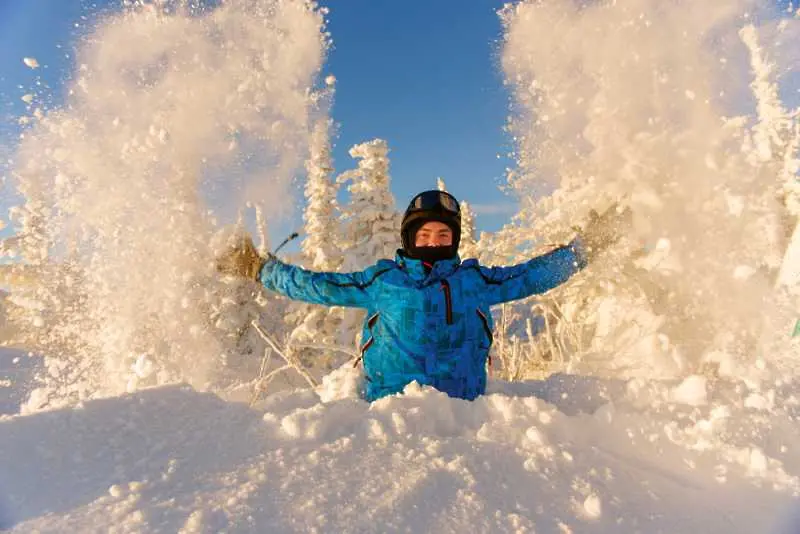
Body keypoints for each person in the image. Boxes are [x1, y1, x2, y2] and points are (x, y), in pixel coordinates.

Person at [218, 190, 627, 402]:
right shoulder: (385, 281)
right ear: (409, 238)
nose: (434, 241)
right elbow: (319, 287)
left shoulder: (474, 281)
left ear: (454, 240)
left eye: (443, 234)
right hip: (388, 413)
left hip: (463, 414)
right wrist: (261, 270)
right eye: (424, 234)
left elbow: (532, 277)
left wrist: (582, 251)